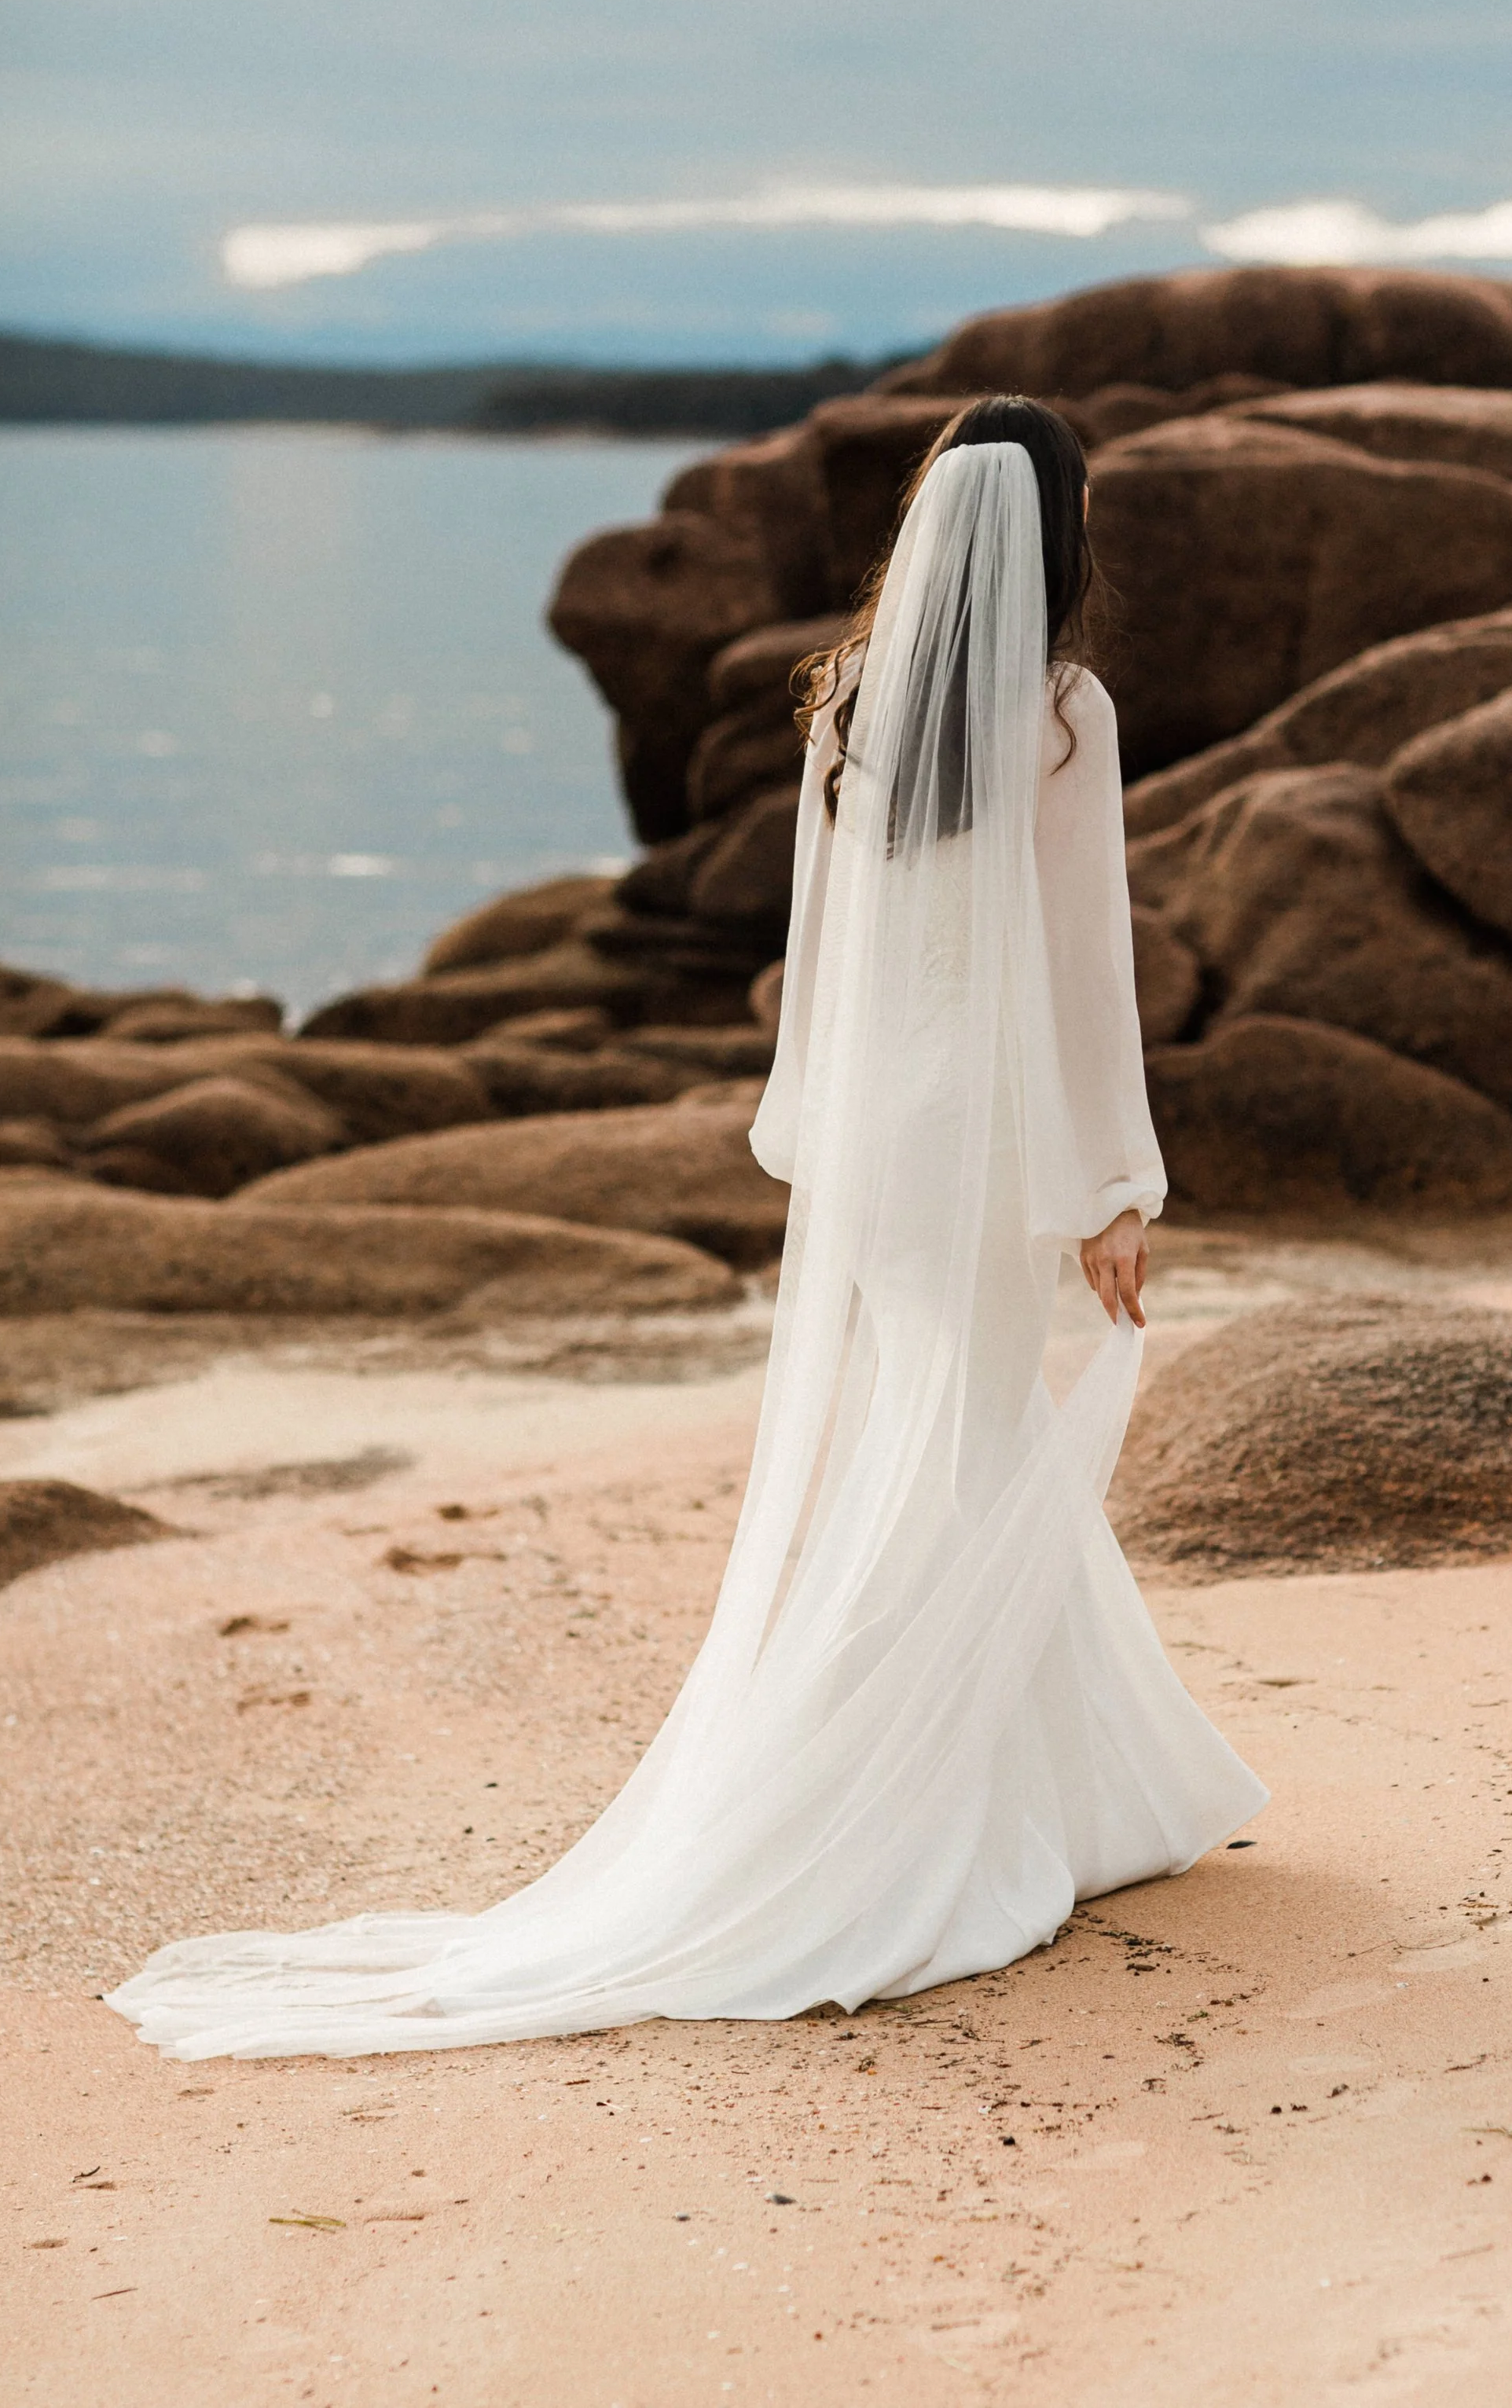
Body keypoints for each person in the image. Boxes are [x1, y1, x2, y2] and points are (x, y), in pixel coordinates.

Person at [107, 396, 1264, 2061]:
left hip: (885, 1135)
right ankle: (886, 1794)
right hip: (990, 1134)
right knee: (964, 1452)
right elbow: (1087, 977)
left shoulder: (852, 704)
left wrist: (819, 1128)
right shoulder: (1062, 715)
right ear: (1061, 537)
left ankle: (1089, 1785)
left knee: (955, 1440)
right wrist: (1112, 1192)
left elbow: (831, 947)